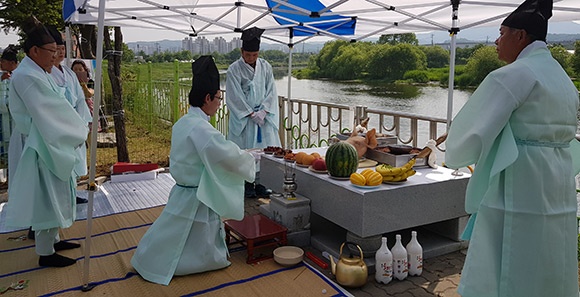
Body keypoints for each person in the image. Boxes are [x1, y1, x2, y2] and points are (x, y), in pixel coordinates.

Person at [444, 0, 580, 296]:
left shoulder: (512, 76)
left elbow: (470, 134)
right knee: (550, 254)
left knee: (511, 257)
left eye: (502, 33)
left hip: (518, 177)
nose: (496, 41)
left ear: (521, 36)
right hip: (558, 180)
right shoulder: (562, 79)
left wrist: (457, 153)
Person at [131, 55, 256, 285]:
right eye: (219, 98)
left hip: (183, 191)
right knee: (191, 239)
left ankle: (152, 258)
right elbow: (226, 155)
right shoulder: (202, 130)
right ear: (207, 98)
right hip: (196, 195)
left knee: (172, 232)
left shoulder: (184, 122)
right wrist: (250, 161)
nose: (220, 103)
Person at [4, 16, 88, 268]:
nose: (55, 57)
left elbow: (61, 104)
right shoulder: (28, 76)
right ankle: (45, 252)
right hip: (41, 143)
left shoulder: (39, 71)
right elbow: (52, 110)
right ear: (34, 51)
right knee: (46, 197)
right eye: (51, 51)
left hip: (49, 140)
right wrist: (77, 128)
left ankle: (53, 239)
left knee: (58, 194)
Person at [226, 26, 281, 198]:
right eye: (248, 55)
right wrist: (250, 113)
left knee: (264, 150)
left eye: (255, 55)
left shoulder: (266, 67)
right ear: (242, 51)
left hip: (263, 117)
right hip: (246, 118)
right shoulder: (234, 69)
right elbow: (234, 96)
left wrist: (264, 111)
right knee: (245, 151)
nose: (251, 58)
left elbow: (271, 90)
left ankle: (262, 184)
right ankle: (246, 184)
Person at [47, 26, 92, 205]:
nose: (60, 53)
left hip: (75, 122)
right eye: (56, 50)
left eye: (63, 49)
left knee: (74, 161)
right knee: (59, 164)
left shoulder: (69, 73)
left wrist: (81, 123)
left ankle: (72, 194)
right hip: (58, 126)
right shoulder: (45, 73)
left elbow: (81, 100)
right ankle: (59, 199)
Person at [0, 45, 19, 170]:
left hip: (16, 119)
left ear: (12, 63)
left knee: (15, 146)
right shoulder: (2, 75)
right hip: (2, 118)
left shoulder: (20, 75)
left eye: (3, 62)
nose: (1, 64)